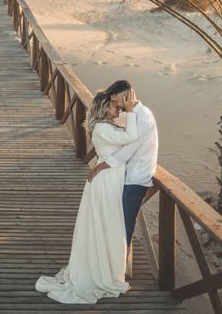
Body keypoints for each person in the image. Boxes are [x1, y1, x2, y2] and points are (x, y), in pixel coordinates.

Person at [35, 89, 138, 304]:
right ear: (103, 108)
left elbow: (125, 138)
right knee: (105, 224)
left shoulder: (107, 126)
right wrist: (132, 111)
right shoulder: (101, 128)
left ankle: (108, 267)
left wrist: (128, 111)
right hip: (106, 182)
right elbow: (131, 136)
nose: (116, 107)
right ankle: (100, 271)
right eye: (112, 105)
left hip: (109, 178)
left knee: (108, 224)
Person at [90, 80, 158, 258]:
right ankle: (115, 263)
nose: (116, 105)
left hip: (136, 178)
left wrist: (101, 166)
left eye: (117, 100)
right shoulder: (135, 114)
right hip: (126, 175)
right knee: (118, 223)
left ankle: (120, 269)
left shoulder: (141, 117)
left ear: (128, 95)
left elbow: (127, 151)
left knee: (124, 226)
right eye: (113, 102)